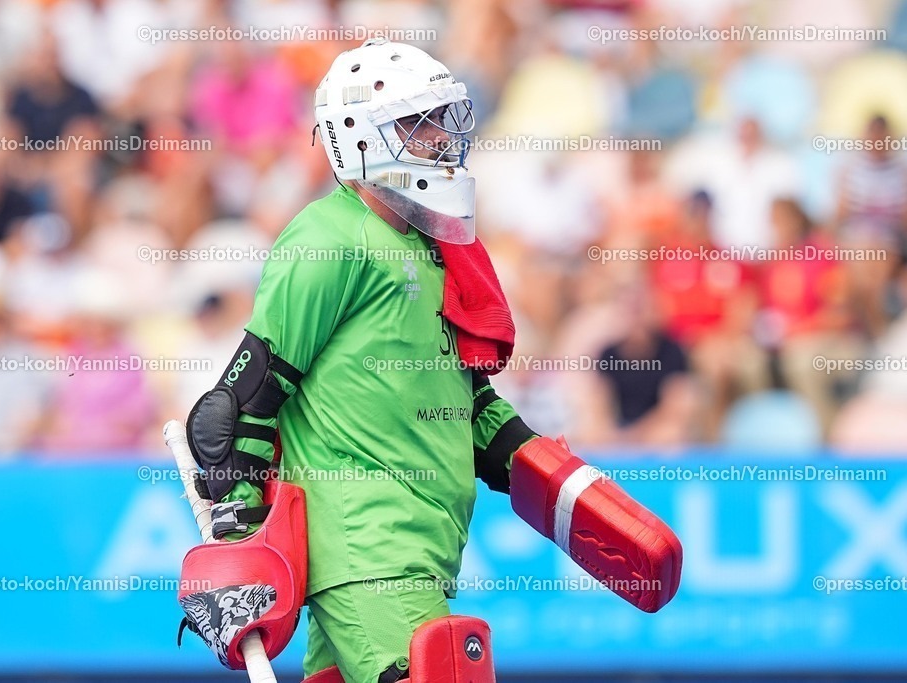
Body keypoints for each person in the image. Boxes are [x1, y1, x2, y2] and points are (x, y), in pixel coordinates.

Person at [179, 40, 680, 683]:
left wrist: (563, 488)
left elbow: (470, 411)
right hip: (365, 549)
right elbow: (241, 402)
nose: (445, 140)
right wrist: (241, 535)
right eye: (423, 125)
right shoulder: (327, 237)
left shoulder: (437, 250)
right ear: (362, 135)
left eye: (447, 122)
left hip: (419, 550)